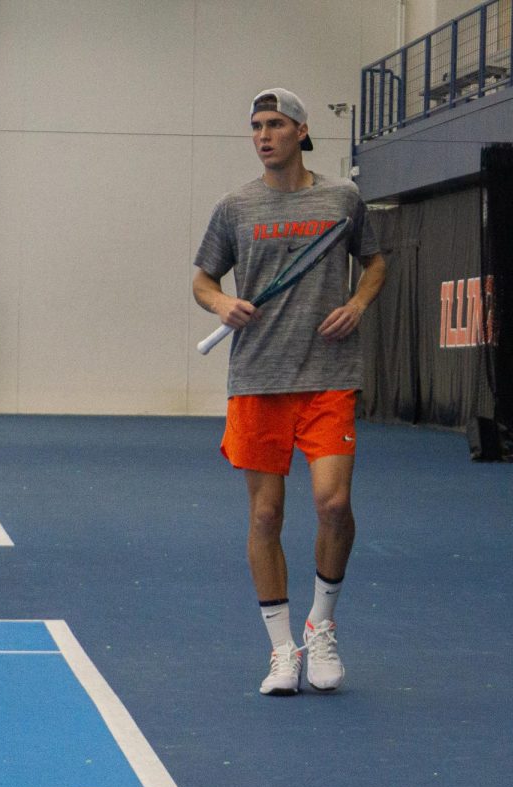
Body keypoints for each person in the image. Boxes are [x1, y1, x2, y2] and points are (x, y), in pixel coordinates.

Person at [192, 88, 387, 696]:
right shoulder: (235, 208)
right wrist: (222, 301)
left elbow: (376, 261)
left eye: (275, 124)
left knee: (333, 505)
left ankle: (320, 627)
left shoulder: (343, 199)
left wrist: (358, 302)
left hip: (328, 376)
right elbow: (202, 278)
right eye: (255, 126)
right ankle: (282, 651)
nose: (263, 135)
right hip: (256, 380)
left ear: (302, 131)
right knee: (266, 513)